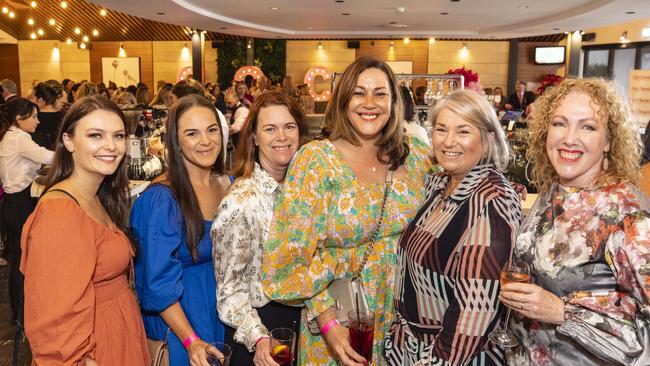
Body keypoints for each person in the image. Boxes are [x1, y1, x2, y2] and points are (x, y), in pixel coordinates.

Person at [262, 57, 434, 365]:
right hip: (340, 322)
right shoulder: (315, 161)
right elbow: (286, 261)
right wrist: (328, 324)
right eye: (359, 92)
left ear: (394, 102)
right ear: (343, 100)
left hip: (404, 320)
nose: (370, 103)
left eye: (380, 93)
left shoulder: (416, 156)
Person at [500, 78, 650, 365]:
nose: (569, 138)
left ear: (609, 141)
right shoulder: (554, 192)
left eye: (588, 127)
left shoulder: (628, 215)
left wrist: (562, 311)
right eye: (559, 123)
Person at [384, 90, 522, 365]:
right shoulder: (439, 185)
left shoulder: (489, 205)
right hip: (409, 349)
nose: (448, 141)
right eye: (441, 129)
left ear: (488, 137)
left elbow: (470, 322)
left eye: (463, 131)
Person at [20, 96, 149, 364]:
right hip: (93, 349)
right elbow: (54, 328)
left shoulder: (98, 195)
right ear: (68, 141)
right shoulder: (60, 213)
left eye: (118, 136)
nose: (111, 146)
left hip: (116, 337)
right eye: (95, 135)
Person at [131, 94, 230, 366]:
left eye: (212, 130)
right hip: (182, 321)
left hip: (222, 311)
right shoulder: (162, 199)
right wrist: (190, 340)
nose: (206, 141)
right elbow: (156, 282)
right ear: (176, 141)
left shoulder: (229, 183)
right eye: (192, 133)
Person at [212, 92, 306, 365]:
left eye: (289, 126)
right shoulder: (241, 201)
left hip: (301, 323)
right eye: (270, 128)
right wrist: (259, 337)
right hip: (261, 329)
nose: (282, 136)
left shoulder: (305, 191)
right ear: (253, 137)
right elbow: (229, 292)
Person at [0, 98, 54, 326]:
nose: (38, 121)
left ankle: (19, 310)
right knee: (22, 260)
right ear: (19, 119)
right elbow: (48, 157)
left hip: (13, 203)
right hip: (19, 203)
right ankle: (21, 312)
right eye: (33, 117)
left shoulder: (11, 136)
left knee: (18, 259)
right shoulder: (19, 138)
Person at [32, 81, 65, 149]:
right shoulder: (64, 116)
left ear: (40, 100)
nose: (32, 101)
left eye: (33, 98)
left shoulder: (32, 118)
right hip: (61, 154)